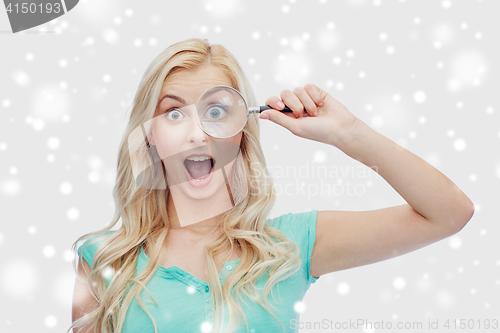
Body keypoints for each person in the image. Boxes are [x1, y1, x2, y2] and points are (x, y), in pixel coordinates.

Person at [69, 38, 474, 333]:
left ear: (241, 131)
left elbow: (449, 213)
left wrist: (348, 133)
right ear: (150, 135)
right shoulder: (105, 260)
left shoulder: (290, 246)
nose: (197, 133)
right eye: (174, 113)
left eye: (216, 111)